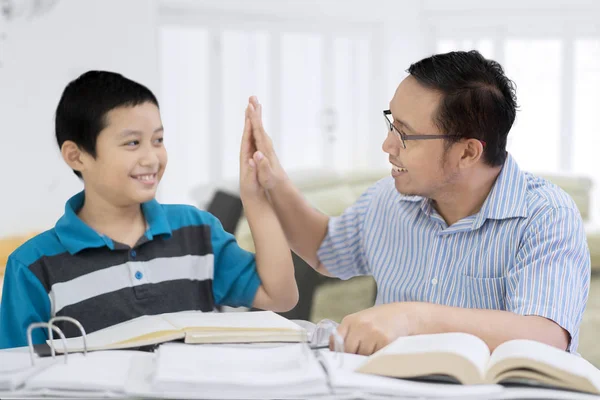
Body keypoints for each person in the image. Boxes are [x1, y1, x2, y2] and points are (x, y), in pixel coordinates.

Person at [243, 50, 591, 355]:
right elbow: (324, 248)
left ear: (468, 152)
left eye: (405, 134)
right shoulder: (388, 198)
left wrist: (413, 317)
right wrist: (274, 181)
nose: (388, 145)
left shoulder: (546, 214)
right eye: (391, 123)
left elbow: (547, 335)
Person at [0, 71, 298, 349]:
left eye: (158, 140)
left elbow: (281, 296)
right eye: (133, 143)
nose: (152, 158)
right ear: (77, 156)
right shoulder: (32, 267)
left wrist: (255, 198)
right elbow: (16, 374)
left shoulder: (197, 231)